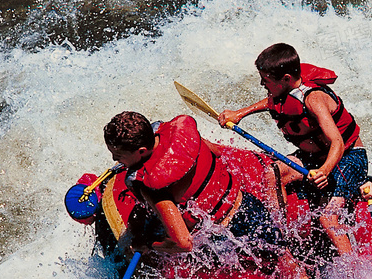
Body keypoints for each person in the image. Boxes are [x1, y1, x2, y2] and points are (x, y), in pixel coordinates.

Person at [217, 43, 367, 257]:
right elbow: (272, 101)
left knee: (327, 217)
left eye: (266, 80)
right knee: (272, 173)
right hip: (314, 158)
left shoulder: (313, 99)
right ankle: (279, 242)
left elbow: (338, 143)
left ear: (286, 79)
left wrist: (324, 171)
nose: (262, 84)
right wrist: (240, 113)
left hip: (347, 160)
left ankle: (355, 272)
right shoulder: (285, 90)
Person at [103, 111, 284, 267]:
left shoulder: (151, 185)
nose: (114, 159)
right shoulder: (182, 134)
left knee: (138, 250)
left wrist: (148, 245)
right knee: (285, 261)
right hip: (248, 206)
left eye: (118, 155)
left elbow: (183, 243)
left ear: (142, 151)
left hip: (227, 237)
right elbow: (216, 152)